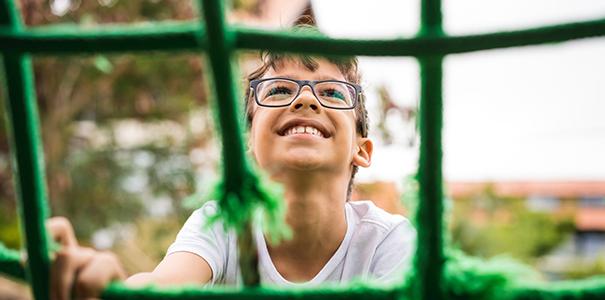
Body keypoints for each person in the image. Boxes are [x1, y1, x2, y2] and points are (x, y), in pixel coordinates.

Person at [45, 49, 416, 299]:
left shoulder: (389, 241)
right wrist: (112, 288)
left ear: (362, 151)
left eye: (333, 93)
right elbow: (164, 285)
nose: (306, 100)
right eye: (280, 90)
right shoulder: (222, 225)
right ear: (248, 144)